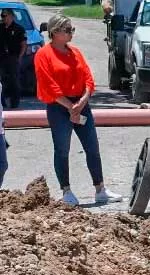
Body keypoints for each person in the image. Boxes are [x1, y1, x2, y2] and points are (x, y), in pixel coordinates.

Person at [33, 14, 122, 207]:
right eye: (68, 30)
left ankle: (100, 189)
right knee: (62, 149)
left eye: (72, 29)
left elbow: (88, 78)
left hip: (81, 104)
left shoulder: (75, 52)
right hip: (58, 106)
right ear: (55, 32)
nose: (71, 33)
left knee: (92, 147)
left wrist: (81, 101)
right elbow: (48, 84)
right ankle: (66, 190)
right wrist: (70, 106)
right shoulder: (43, 54)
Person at [0, 8, 26, 110]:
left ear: (11, 16)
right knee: (1, 81)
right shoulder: (0, 27)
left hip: (13, 57)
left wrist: (19, 57)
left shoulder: (19, 29)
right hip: (1, 57)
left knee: (14, 80)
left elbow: (23, 45)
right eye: (1, 16)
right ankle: (2, 103)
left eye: (4, 15)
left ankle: (14, 103)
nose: (2, 18)